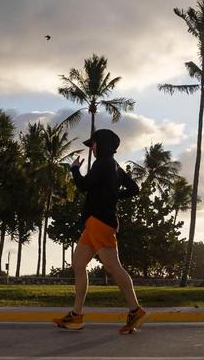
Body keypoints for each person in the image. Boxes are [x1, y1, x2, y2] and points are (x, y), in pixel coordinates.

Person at [53, 128, 147, 334]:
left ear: (102, 144)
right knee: (78, 263)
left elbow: (84, 186)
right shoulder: (114, 166)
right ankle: (76, 316)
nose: (92, 148)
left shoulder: (102, 163)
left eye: (93, 144)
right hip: (94, 222)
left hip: (100, 222)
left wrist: (75, 169)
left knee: (113, 267)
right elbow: (133, 189)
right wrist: (113, 196)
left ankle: (135, 309)